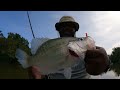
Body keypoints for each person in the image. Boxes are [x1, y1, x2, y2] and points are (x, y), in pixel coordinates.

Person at [28, 16, 111, 79]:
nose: (67, 28)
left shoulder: (86, 49)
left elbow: (100, 67)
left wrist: (106, 64)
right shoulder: (49, 47)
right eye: (63, 26)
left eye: (71, 26)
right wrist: (34, 72)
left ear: (75, 30)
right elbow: (40, 73)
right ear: (58, 30)